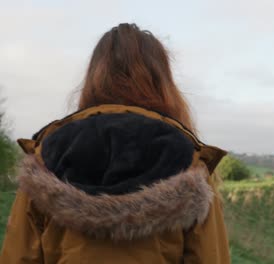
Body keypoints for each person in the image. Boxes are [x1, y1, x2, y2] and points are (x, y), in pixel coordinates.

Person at [0, 23, 230, 264]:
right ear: (162, 82)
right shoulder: (189, 164)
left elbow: (19, 258)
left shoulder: (46, 159)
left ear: (93, 78)